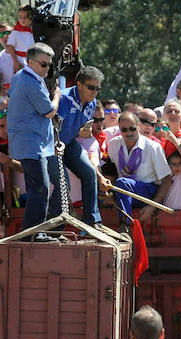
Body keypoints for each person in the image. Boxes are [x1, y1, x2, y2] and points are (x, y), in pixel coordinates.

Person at [7, 43, 61, 240]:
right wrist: (56, 96)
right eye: (44, 64)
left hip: (30, 142)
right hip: (31, 143)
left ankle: (32, 232)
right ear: (31, 62)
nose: (47, 69)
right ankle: (33, 233)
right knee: (41, 188)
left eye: (49, 65)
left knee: (37, 188)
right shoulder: (30, 82)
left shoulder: (22, 77)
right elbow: (49, 111)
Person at [55, 65, 107, 227]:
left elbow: (77, 128)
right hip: (53, 145)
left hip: (68, 143)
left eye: (97, 88)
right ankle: (57, 226)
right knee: (63, 184)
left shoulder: (92, 105)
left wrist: (84, 131)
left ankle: (92, 221)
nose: (94, 92)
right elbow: (52, 126)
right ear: (79, 84)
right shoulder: (64, 99)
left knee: (90, 173)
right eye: (91, 87)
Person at [106, 112, 172, 223]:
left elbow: (166, 180)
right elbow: (111, 172)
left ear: (139, 126)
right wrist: (111, 197)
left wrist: (152, 207)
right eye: (124, 130)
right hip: (124, 192)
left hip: (148, 192)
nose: (128, 133)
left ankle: (125, 226)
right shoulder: (114, 144)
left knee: (122, 183)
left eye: (132, 128)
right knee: (120, 184)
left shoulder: (153, 147)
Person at [6, 4, 34, 73]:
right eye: (20, 17)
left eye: (25, 17)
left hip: (33, 61)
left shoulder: (35, 31)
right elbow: (11, 47)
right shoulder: (16, 32)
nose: (22, 20)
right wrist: (15, 62)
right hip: (20, 61)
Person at [0, 21, 14, 96]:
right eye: (1, 34)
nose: (5, 36)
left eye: (8, 33)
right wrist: (0, 92)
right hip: (8, 100)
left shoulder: (26, 53)